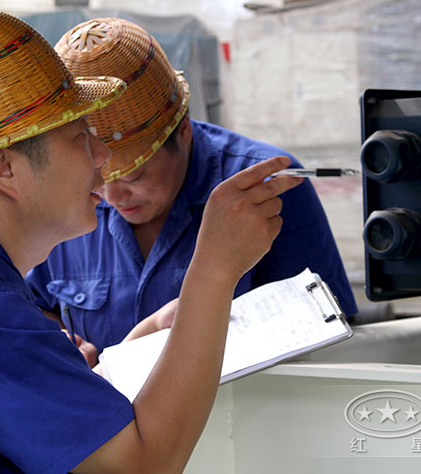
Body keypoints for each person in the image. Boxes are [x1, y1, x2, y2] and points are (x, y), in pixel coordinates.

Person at [0, 9, 302, 474]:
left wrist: (124, 354)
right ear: (6, 169)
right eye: (80, 136)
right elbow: (145, 467)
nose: (103, 157)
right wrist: (215, 269)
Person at [26, 18, 358, 351]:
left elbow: (327, 330)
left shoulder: (262, 190)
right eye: (95, 178)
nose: (111, 197)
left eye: (134, 175)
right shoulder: (64, 198)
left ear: (183, 130)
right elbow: (35, 305)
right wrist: (59, 345)